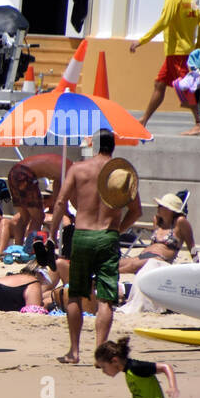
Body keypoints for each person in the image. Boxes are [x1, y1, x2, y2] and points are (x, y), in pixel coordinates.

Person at [47, 131, 142, 364]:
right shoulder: (122, 173)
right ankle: (100, 355)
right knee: (106, 299)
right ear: (113, 147)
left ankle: (74, 352)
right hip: (107, 236)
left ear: (93, 144)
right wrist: (116, 230)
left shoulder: (78, 169)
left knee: (76, 295)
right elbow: (136, 211)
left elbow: (60, 201)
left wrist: (51, 234)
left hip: (83, 236)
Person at [129, 0, 200, 135]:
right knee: (159, 84)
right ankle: (144, 120)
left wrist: (141, 41)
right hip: (179, 53)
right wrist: (198, 47)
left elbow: (164, 21)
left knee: (187, 88)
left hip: (178, 53)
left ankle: (199, 123)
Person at [3, 151, 71, 251]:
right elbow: (63, 200)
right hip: (25, 173)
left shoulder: (63, 170)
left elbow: (58, 198)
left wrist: (65, 212)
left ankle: (17, 249)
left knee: (24, 217)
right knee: (38, 217)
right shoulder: (70, 171)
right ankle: (29, 249)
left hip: (14, 172)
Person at [120, 192, 196, 274]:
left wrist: (198, 265)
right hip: (144, 255)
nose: (157, 207)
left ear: (170, 210)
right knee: (118, 264)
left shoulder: (180, 222)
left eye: (160, 206)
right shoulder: (157, 220)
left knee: (132, 266)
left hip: (160, 260)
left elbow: (191, 245)